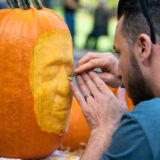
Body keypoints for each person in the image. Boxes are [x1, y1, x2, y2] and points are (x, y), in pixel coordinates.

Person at [69, 0, 160, 159]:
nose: (117, 72)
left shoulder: (145, 124)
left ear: (143, 47)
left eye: (120, 53)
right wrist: (130, 75)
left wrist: (103, 130)